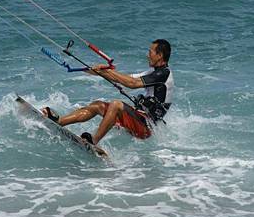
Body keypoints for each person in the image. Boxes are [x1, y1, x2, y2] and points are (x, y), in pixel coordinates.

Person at [42, 39, 174, 145]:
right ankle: (59, 122)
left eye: (150, 52)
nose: (147, 55)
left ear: (160, 55)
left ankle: (93, 141)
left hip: (147, 128)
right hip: (138, 120)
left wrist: (108, 71)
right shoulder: (153, 72)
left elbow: (132, 84)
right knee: (97, 105)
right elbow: (126, 78)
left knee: (116, 104)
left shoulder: (164, 73)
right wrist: (92, 70)